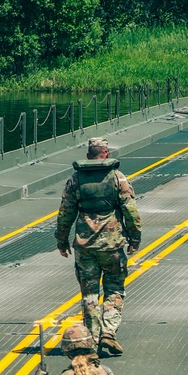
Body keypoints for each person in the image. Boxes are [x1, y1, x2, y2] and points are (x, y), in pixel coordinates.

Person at [56, 136, 141, 358]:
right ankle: (109, 333)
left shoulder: (76, 180)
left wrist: (62, 240)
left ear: (88, 156)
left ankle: (91, 340)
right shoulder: (117, 177)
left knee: (89, 293)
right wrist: (134, 238)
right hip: (112, 245)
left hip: (85, 246)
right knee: (114, 288)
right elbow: (130, 210)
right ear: (106, 153)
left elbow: (65, 212)